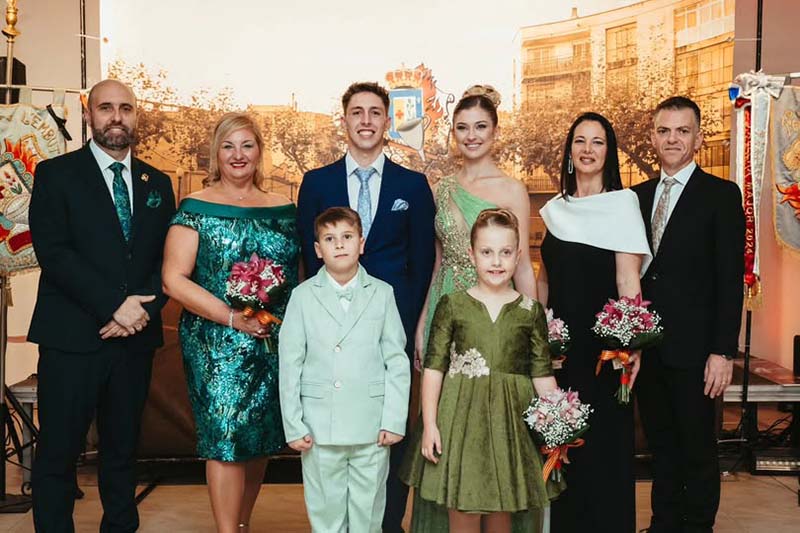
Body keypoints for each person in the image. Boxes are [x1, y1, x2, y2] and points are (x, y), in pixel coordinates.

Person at [28, 78, 176, 532]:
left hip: (134, 341)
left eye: (125, 108)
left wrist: (141, 312)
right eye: (106, 108)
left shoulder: (157, 182)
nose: (116, 117)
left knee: (122, 451)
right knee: (58, 452)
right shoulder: (55, 174)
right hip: (72, 338)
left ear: (136, 115)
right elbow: (55, 253)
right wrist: (115, 306)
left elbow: (166, 261)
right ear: (88, 114)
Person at [296, 81, 435, 532]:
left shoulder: (413, 185)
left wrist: (416, 325)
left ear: (387, 121)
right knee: (335, 427)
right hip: (332, 329)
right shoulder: (316, 183)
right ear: (345, 121)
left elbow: (423, 262)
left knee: (389, 422)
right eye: (357, 112)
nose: (366, 121)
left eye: (375, 112)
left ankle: (387, 523)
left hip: (392, 324)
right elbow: (307, 257)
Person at [408, 85, 540, 532]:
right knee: (448, 426)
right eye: (462, 127)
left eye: (480, 126)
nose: (471, 135)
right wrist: (423, 321)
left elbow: (523, 263)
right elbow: (439, 261)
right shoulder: (441, 188)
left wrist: (535, 326)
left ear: (495, 132)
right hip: (448, 309)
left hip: (498, 318)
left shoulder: (512, 189)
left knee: (494, 424)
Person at [161, 112, 299, 533]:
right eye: (228, 146)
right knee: (225, 436)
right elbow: (173, 279)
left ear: (259, 152)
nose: (238, 155)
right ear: (215, 154)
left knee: (259, 437)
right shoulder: (195, 208)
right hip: (214, 343)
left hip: (271, 341)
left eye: (247, 145)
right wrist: (232, 318)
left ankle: (241, 524)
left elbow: (298, 277)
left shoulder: (284, 209)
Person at [402, 208, 557, 533]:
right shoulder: (452, 305)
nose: (496, 262)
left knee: (503, 509)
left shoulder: (530, 311)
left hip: (510, 425)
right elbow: (434, 369)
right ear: (472, 255)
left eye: (505, 253)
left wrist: (558, 426)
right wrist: (429, 424)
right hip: (461, 422)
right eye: (487, 252)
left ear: (518, 256)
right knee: (464, 507)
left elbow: (542, 375)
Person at [631, 96, 744, 533]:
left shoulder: (720, 195)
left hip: (697, 352)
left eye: (682, 131)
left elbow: (729, 279)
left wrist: (723, 351)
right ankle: (663, 524)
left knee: (696, 449)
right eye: (664, 131)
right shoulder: (637, 197)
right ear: (653, 137)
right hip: (649, 349)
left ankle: (697, 527)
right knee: (661, 446)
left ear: (697, 138)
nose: (672, 139)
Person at [539, 112, 651, 533]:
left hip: (605, 351)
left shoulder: (622, 205)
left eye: (598, 142)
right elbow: (545, 278)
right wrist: (538, 334)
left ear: (609, 152)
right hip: (561, 351)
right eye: (580, 141)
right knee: (563, 447)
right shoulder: (555, 209)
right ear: (570, 151)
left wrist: (632, 345)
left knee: (604, 451)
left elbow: (628, 279)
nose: (588, 149)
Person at [279, 206, 410, 532]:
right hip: (319, 427)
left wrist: (394, 420)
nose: (339, 244)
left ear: (361, 244)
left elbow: (396, 361)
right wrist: (293, 424)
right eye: (329, 239)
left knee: (368, 517)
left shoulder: (382, 293)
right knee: (327, 518)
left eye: (347, 236)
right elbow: (290, 364)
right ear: (317, 249)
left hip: (372, 426)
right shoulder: (302, 297)